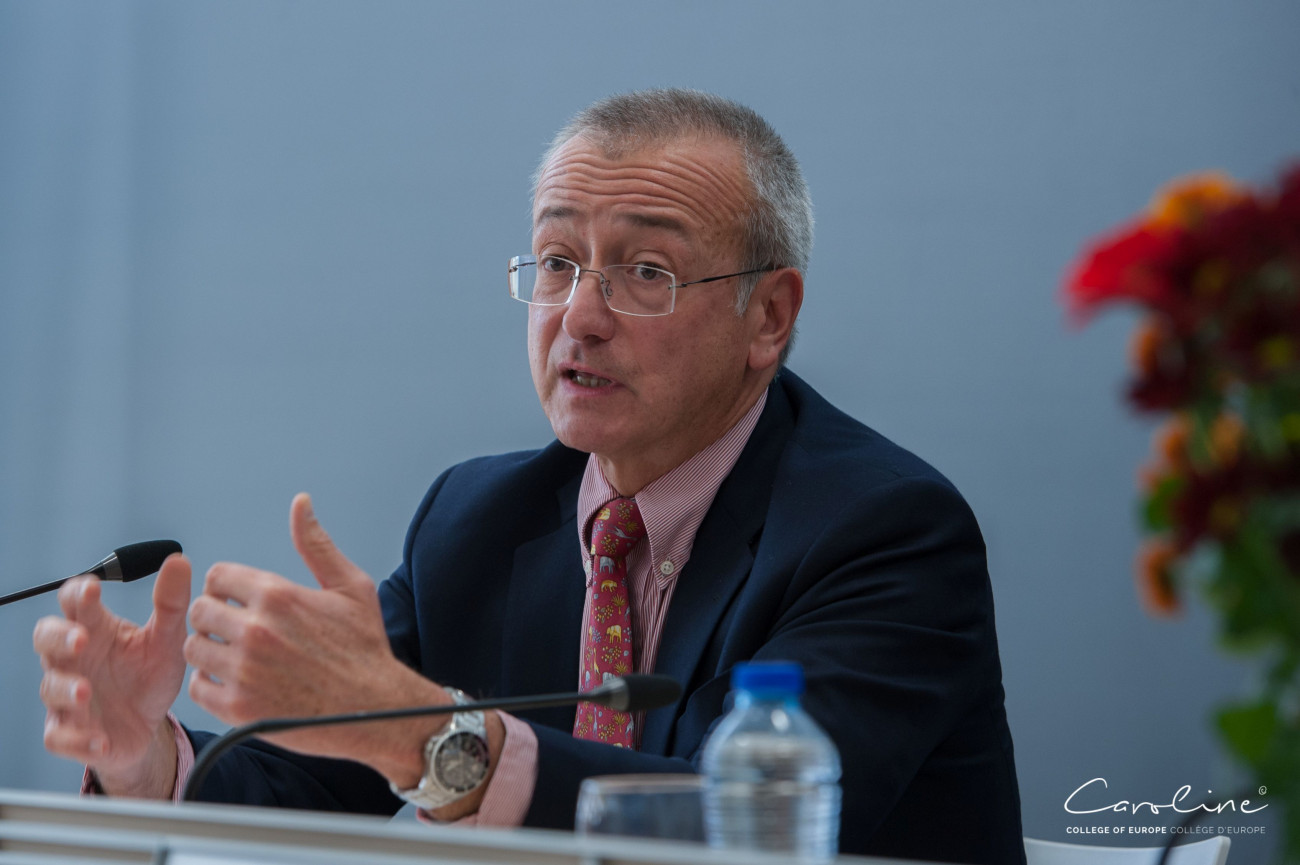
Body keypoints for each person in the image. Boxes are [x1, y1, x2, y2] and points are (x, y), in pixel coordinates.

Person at [32, 89, 1024, 863]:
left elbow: (747, 828)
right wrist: (143, 755)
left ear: (768, 316)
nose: (578, 317)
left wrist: (428, 738)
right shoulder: (477, 518)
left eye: (646, 272)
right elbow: (316, 781)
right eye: (555, 262)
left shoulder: (884, 532)